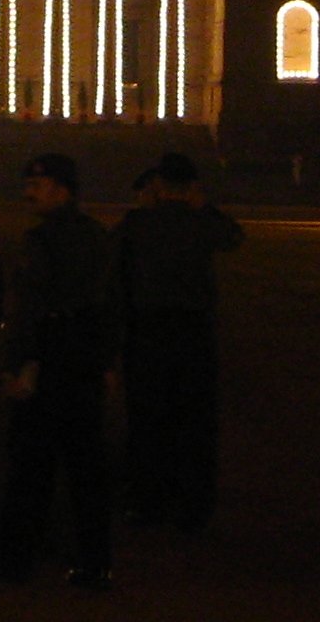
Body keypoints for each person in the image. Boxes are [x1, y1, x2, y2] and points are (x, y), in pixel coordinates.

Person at [0, 153, 115, 590]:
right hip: (83, 357)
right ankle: (96, 562)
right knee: (86, 466)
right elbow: (109, 304)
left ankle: (16, 560)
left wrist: (18, 364)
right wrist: (105, 360)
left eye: (36, 186)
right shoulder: (96, 235)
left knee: (30, 465)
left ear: (61, 190)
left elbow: (29, 308)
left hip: (47, 357)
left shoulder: (41, 240)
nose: (29, 193)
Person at [116, 151, 242, 533]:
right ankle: (194, 505)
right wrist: (204, 208)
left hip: (148, 329)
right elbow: (233, 237)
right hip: (193, 330)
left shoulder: (138, 223)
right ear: (192, 186)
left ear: (157, 184)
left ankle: (148, 500)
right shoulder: (201, 222)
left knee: (148, 418)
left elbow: (116, 266)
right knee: (195, 420)